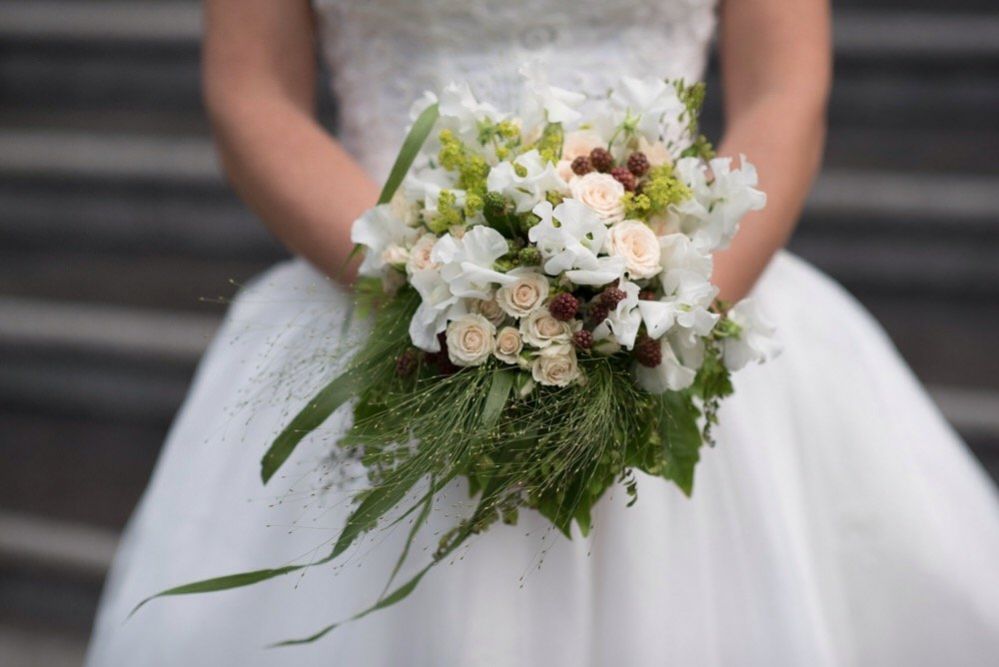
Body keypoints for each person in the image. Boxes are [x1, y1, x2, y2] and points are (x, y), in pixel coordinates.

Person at [86, 1, 999, 665]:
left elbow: (784, 89)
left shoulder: (678, 302)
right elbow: (252, 94)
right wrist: (436, 293)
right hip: (382, 297)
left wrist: (664, 309)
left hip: (683, 295)